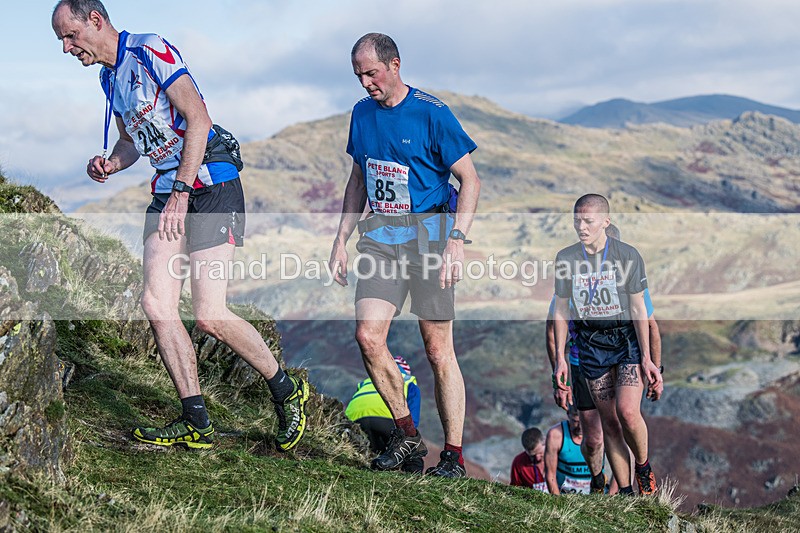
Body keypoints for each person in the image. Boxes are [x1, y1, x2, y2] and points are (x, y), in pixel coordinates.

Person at [52, 0, 308, 451]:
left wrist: (182, 192)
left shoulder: (151, 50)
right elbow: (132, 142)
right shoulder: (108, 77)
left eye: (70, 36)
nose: (68, 48)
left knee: (210, 315)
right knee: (157, 305)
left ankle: (286, 390)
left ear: (95, 20)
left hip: (208, 185)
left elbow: (198, 118)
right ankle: (196, 419)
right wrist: (111, 163)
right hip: (170, 190)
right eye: (62, 41)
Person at [329, 33, 481, 478]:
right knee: (368, 337)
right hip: (380, 238)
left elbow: (470, 181)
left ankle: (452, 456)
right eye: (358, 75)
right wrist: (340, 238)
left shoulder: (433, 114)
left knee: (437, 350)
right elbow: (358, 180)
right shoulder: (361, 114)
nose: (365, 83)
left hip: (431, 238)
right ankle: (408, 436)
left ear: (395, 65)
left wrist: (458, 241)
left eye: (371, 73)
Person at [552, 194, 663, 495]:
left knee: (628, 411)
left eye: (588, 221)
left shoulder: (627, 256)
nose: (581, 227)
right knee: (609, 422)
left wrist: (649, 359)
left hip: (625, 340)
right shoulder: (566, 258)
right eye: (577, 221)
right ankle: (625, 491)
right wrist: (561, 359)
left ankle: (643, 466)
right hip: (590, 346)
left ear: (605, 221)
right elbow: (561, 311)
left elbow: (641, 310)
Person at [345, 355, 423, 473]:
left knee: (372, 449)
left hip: (353, 420)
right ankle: (413, 479)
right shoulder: (408, 380)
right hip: (387, 419)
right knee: (413, 451)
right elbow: (413, 420)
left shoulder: (368, 381)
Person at [544, 404, 593, 495]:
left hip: (596, 498)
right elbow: (550, 475)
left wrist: (610, 496)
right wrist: (558, 503)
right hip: (564, 497)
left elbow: (622, 459)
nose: (580, 427)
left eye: (584, 421)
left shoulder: (601, 430)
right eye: (575, 421)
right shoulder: (556, 435)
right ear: (568, 414)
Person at [510, 427, 548, 492]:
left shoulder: (560, 456)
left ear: (544, 441)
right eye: (532, 456)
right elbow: (515, 490)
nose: (537, 458)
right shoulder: (519, 463)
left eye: (539, 453)